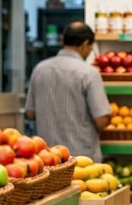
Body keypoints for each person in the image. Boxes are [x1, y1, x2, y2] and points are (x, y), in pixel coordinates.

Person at [24, 21, 111, 161]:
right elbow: (101, 121)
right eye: (91, 47)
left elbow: (30, 113)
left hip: (47, 159)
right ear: (85, 44)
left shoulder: (40, 69)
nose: (90, 52)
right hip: (81, 160)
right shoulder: (88, 73)